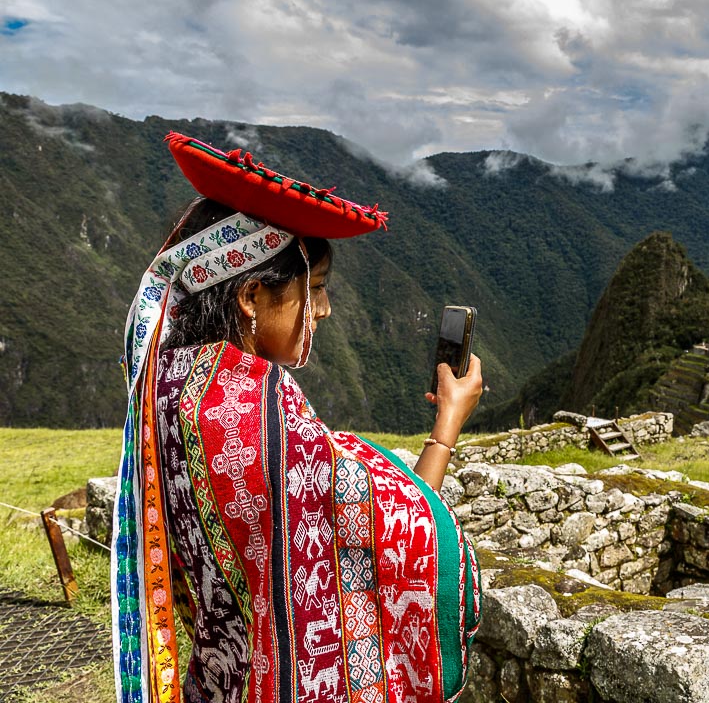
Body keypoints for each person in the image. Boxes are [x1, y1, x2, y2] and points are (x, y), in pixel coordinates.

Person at [113, 133, 482, 703]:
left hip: (215, 681)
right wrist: (448, 425)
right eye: (315, 289)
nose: (326, 309)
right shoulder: (261, 408)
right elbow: (395, 535)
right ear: (251, 294)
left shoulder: (164, 376)